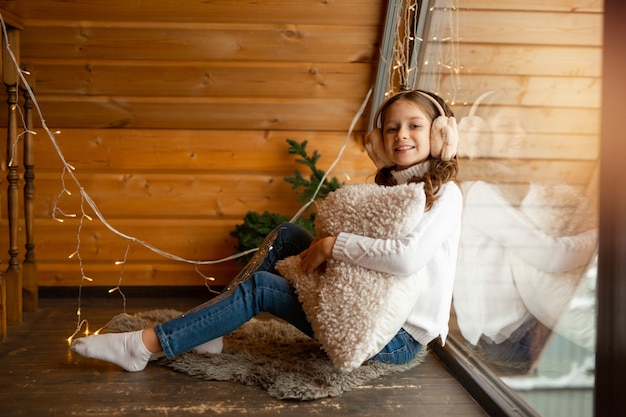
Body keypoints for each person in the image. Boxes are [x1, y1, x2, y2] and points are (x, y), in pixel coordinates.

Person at [70, 89, 463, 372]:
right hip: (366, 303)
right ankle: (208, 326)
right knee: (288, 235)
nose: (401, 136)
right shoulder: (392, 189)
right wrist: (328, 246)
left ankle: (147, 345)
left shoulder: (445, 195)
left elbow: (407, 257)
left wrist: (333, 245)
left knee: (262, 289)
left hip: (396, 339)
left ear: (440, 135)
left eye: (414, 125)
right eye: (391, 129)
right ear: (378, 141)